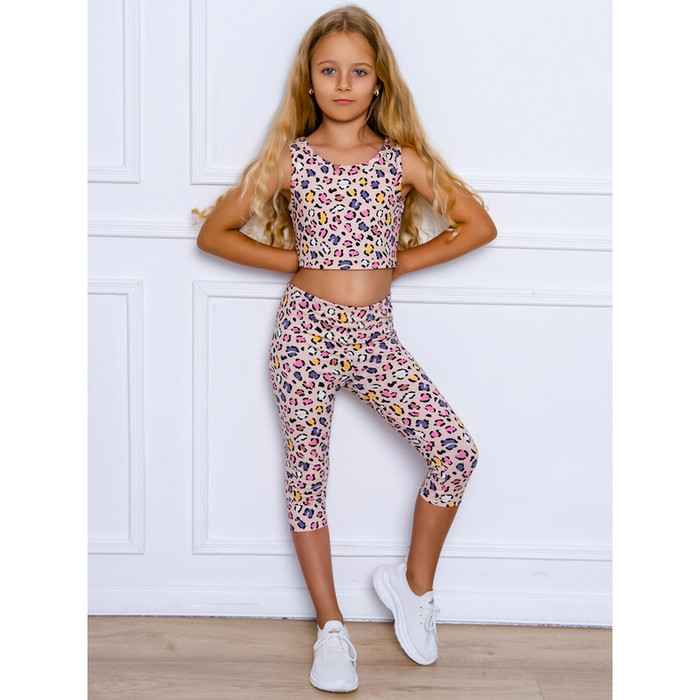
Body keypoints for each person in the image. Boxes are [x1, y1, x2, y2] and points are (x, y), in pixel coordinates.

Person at [194, 4, 497, 693]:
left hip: (373, 339)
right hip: (305, 333)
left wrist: (397, 264)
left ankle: (413, 587)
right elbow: (214, 234)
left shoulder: (400, 161)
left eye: (358, 71)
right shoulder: (290, 161)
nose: (342, 83)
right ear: (309, 80)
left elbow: (477, 225)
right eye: (329, 70)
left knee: (454, 451)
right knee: (308, 478)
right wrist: (301, 262)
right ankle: (331, 628)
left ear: (378, 81)